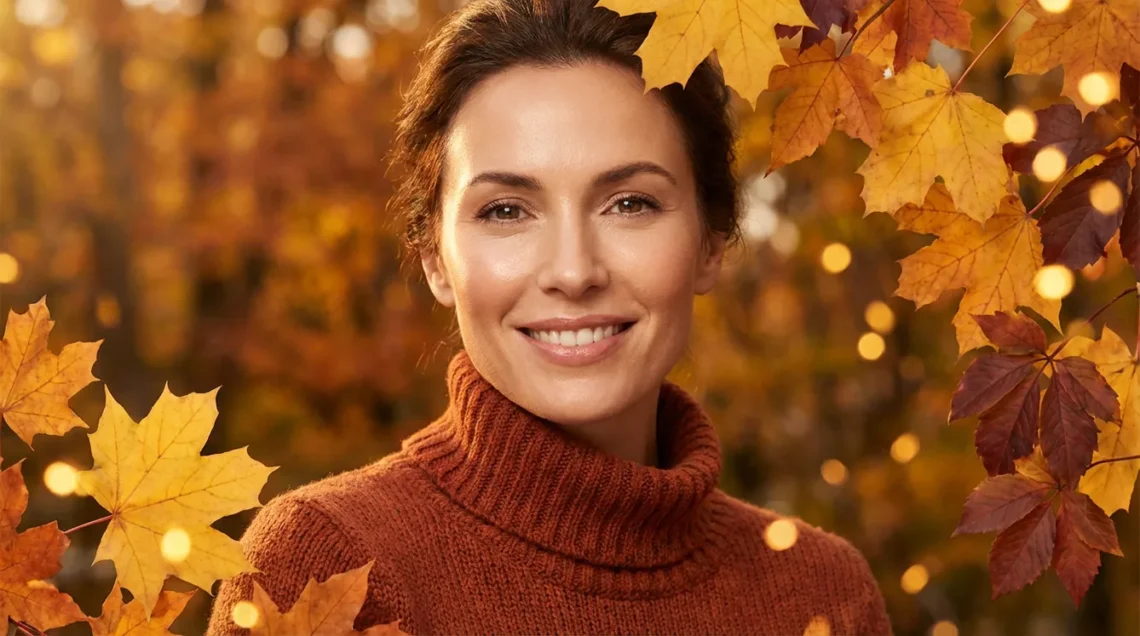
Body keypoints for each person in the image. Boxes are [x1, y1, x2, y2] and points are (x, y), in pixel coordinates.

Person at [206, 0, 892, 633]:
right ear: (434, 259)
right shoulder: (325, 566)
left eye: (630, 203)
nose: (573, 271)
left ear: (713, 241)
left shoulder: (823, 591)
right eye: (506, 211)